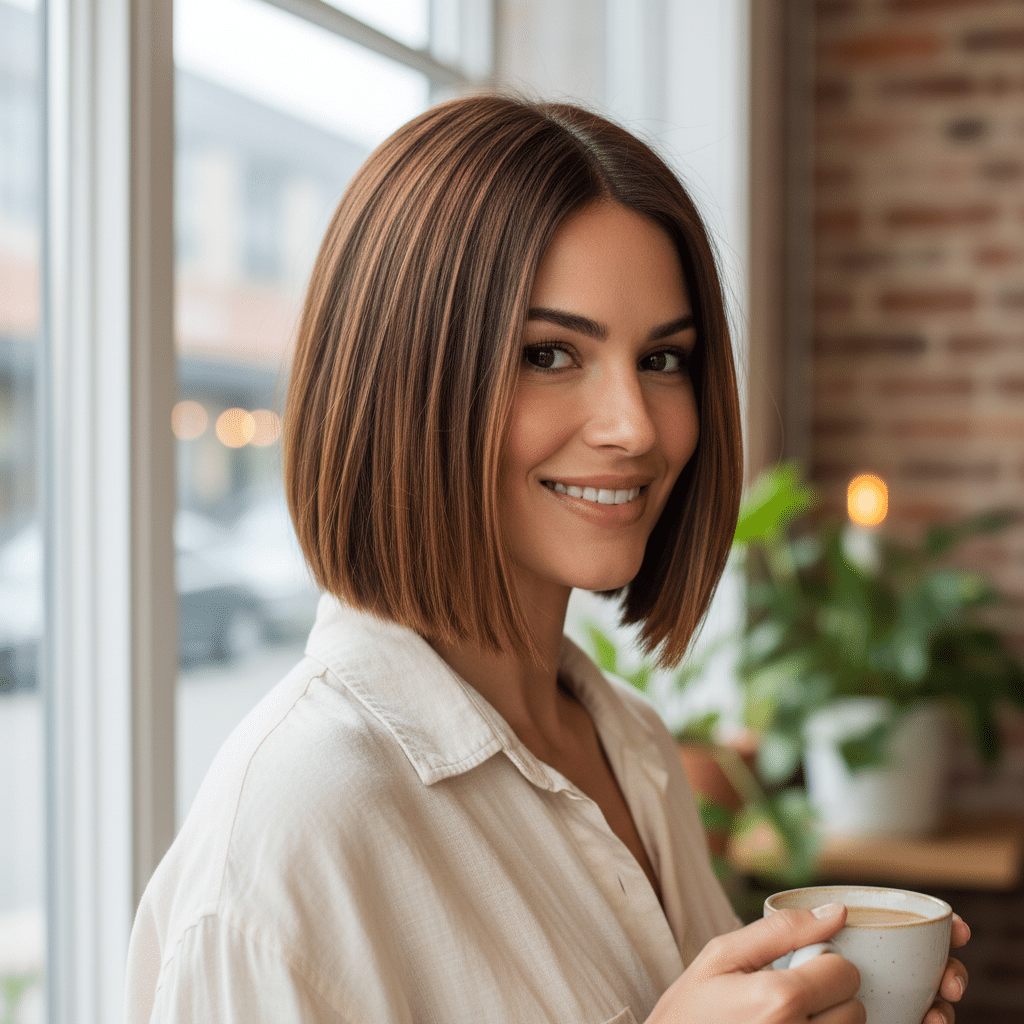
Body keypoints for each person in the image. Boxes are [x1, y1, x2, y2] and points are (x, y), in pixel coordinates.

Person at [124, 94, 969, 1023]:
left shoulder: (634, 745)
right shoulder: (288, 839)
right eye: (550, 353)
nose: (634, 426)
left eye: (664, 360)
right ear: (406, 378)